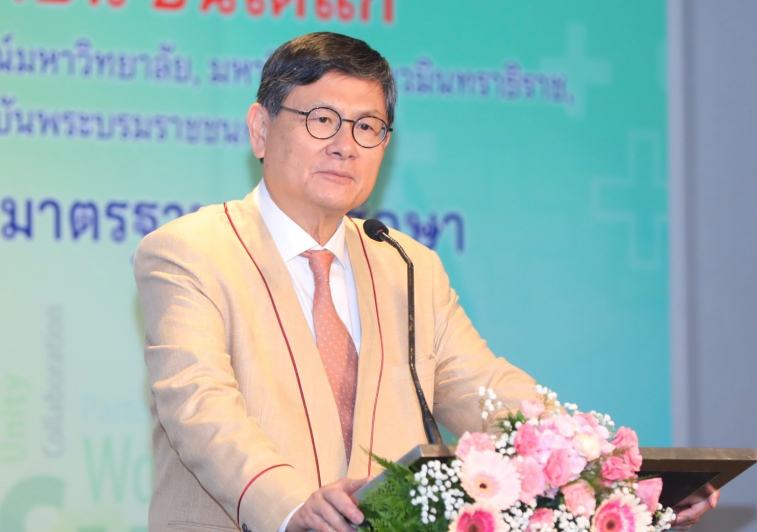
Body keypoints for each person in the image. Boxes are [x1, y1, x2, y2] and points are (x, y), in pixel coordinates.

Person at [134, 32, 718, 532]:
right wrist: (291, 509)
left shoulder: (406, 265)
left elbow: (485, 392)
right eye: (321, 120)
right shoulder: (192, 252)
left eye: (368, 126)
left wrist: (614, 475)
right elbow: (200, 408)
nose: (345, 145)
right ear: (260, 129)